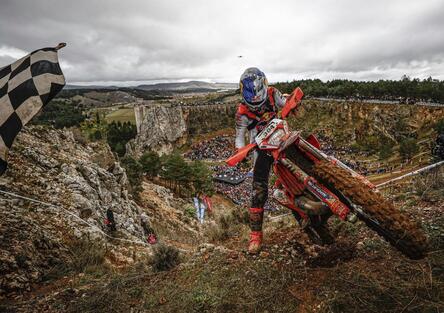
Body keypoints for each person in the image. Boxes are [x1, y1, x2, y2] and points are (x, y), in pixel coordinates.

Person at [235, 67, 287, 254]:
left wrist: (294, 103)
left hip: (282, 138)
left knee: (305, 151)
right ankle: (255, 236)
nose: (256, 104)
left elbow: (286, 103)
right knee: (258, 189)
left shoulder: (273, 94)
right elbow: (239, 136)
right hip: (261, 147)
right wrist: (240, 152)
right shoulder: (242, 111)